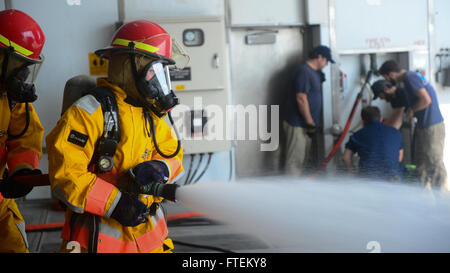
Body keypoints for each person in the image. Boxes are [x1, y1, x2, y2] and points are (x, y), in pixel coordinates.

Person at [46, 20, 184, 253]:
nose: (158, 80)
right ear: (130, 67)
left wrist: (162, 166)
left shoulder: (149, 112)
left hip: (152, 241)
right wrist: (116, 203)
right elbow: (66, 175)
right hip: (96, 242)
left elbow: (173, 152)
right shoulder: (89, 112)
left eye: (160, 71)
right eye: (153, 69)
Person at [0, 10, 46, 253]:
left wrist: (22, 169)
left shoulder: (10, 97)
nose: (23, 75)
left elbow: (26, 136)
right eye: (19, 65)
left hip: (1, 208)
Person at [377, 60, 447, 189]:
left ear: (392, 74)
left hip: (431, 126)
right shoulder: (410, 78)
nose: (387, 80)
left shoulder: (410, 78)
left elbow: (426, 100)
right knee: (420, 163)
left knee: (433, 162)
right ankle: (421, 197)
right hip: (424, 126)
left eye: (386, 77)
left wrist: (411, 111)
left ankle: (441, 198)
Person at [281, 45, 334, 176]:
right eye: (326, 60)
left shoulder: (313, 72)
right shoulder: (304, 71)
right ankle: (290, 193)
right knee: (295, 162)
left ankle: (297, 191)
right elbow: (301, 98)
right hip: (298, 124)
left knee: (301, 161)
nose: (327, 64)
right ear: (319, 57)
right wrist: (310, 122)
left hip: (305, 125)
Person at [343, 106, 404, 181]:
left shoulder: (358, 135)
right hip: (393, 177)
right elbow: (399, 158)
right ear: (380, 118)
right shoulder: (396, 133)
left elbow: (346, 157)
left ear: (363, 121)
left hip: (368, 178)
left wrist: (351, 172)